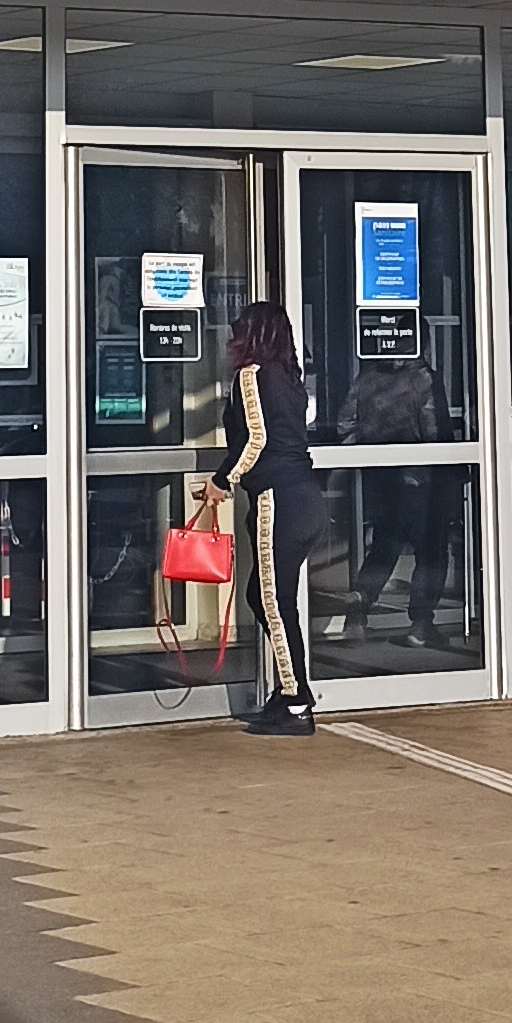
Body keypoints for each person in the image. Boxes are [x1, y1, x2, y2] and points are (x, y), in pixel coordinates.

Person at [218, 299, 323, 731]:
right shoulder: (291, 379)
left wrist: (223, 480)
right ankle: (290, 689)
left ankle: (296, 704)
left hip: (277, 499)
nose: (232, 338)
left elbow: (256, 440)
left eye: (239, 330)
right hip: (307, 498)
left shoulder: (253, 376)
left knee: (274, 604)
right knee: (264, 598)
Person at [341, 344, 455, 639]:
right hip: (421, 479)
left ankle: (361, 600)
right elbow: (433, 429)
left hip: (381, 479)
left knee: (384, 546)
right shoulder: (423, 377)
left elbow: (345, 424)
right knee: (430, 553)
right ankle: (421, 623)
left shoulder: (367, 376)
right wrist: (450, 467)